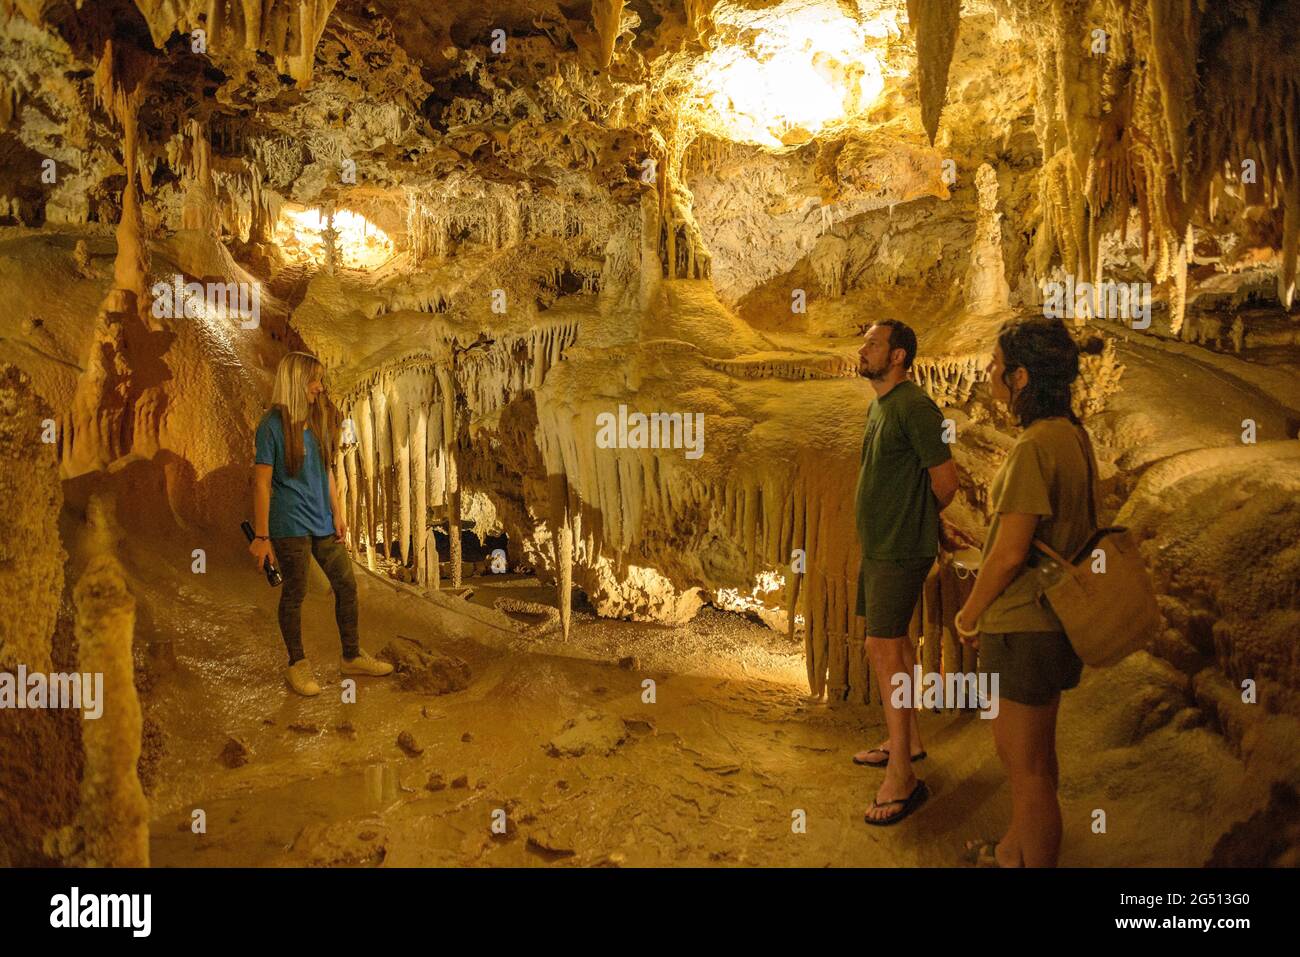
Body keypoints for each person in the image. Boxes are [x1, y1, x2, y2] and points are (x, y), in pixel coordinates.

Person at [955, 316, 1104, 866]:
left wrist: (970, 614)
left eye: (997, 365)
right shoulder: (1073, 437)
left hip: (1025, 622)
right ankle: (1014, 849)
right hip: (1055, 620)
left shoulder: (1034, 446)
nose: (990, 372)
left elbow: (1010, 551)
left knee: (1026, 765)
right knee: (1033, 757)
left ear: (1020, 379)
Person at [854, 320, 961, 826]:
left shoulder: (917, 406)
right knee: (893, 646)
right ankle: (908, 741)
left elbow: (946, 481)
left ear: (897, 356)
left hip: (898, 548)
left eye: (873, 344)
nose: (864, 349)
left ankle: (903, 776)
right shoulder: (882, 405)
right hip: (882, 546)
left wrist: (916, 522)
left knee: (883, 647)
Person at [249, 351, 393, 696]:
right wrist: (261, 535)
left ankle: (351, 655)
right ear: (297, 381)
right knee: (296, 591)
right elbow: (261, 482)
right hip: (289, 523)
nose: (319, 387)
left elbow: (326, 470)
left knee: (346, 584)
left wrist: (338, 512)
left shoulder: (315, 422)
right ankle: (297, 665)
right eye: (314, 380)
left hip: (322, 520)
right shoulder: (270, 426)